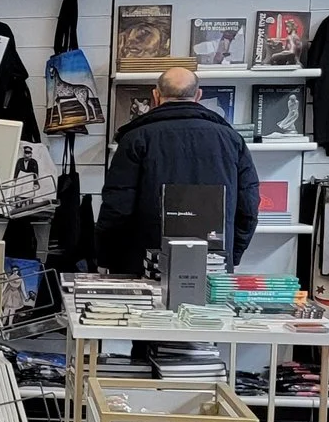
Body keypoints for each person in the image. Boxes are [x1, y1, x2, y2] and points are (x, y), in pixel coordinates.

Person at [96, 65, 257, 273]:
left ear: (156, 95)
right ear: (198, 95)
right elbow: (249, 206)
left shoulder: (136, 138)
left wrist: (106, 258)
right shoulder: (231, 139)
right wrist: (232, 255)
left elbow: (117, 206)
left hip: (144, 261)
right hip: (213, 259)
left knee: (146, 306)